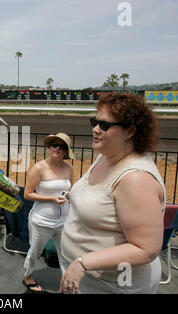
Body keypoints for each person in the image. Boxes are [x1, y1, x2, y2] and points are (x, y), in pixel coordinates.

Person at [60, 92, 165, 294]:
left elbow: (146, 249)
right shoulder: (107, 157)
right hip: (87, 276)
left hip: (111, 284)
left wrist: (83, 262)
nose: (95, 129)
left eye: (105, 125)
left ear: (130, 131)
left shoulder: (136, 179)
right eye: (94, 121)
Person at [22, 132, 75, 292]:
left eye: (61, 146)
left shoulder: (69, 167)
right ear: (50, 147)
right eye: (54, 145)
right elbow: (27, 194)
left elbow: (69, 188)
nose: (57, 148)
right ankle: (28, 276)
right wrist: (51, 199)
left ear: (66, 151)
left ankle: (68, 283)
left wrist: (71, 195)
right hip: (41, 220)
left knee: (66, 253)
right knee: (35, 251)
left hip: (63, 220)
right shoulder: (39, 167)